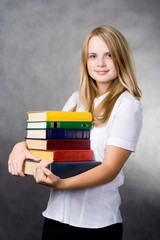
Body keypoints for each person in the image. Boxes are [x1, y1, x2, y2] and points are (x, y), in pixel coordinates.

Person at [8, 25, 143, 240]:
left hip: (96, 227)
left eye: (109, 55)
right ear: (85, 61)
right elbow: (54, 145)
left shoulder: (127, 105)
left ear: (121, 58)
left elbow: (109, 169)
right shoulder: (76, 99)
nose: (100, 63)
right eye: (93, 55)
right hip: (55, 219)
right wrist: (20, 147)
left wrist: (62, 184)